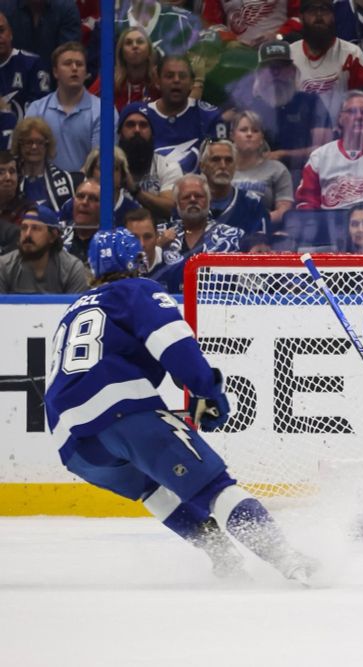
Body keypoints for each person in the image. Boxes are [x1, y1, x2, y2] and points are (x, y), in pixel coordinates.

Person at [44, 228, 317, 583]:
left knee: (151, 489)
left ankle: (224, 559)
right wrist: (209, 393)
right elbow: (173, 345)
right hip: (120, 409)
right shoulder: (137, 290)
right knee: (214, 486)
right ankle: (288, 560)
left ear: (90, 267)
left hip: (71, 442)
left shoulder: (72, 311)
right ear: (139, 261)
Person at [226, 39, 333, 171]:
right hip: (256, 174)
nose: (275, 73)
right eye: (270, 67)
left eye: (281, 66)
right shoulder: (247, 107)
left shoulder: (310, 102)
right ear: (259, 73)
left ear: (293, 71)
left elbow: (325, 147)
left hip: (303, 173)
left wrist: (284, 155)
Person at [295, 90, 363, 211]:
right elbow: (306, 204)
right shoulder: (319, 157)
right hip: (328, 227)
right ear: (340, 118)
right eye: (352, 111)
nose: (359, 117)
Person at [122, 56, 227, 174]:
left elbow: (223, 164)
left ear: (192, 82)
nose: (176, 80)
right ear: (157, 81)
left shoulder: (210, 116)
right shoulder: (138, 115)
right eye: (169, 76)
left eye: (182, 76)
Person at [25, 42, 100, 173]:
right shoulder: (36, 109)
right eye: (68, 63)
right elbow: (28, 154)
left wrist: (72, 183)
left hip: (86, 187)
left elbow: (98, 161)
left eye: (80, 64)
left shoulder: (103, 111)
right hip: (44, 187)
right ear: (55, 72)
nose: (74, 68)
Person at [289, 0, 363, 117]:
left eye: (324, 10)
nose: (319, 16)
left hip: (342, 132)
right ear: (301, 17)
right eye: (312, 11)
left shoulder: (352, 54)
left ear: (333, 16)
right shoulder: (289, 55)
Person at [0, 205, 88, 293]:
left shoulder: (72, 269)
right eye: (24, 228)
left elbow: (76, 306)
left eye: (35, 228)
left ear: (53, 236)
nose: (27, 234)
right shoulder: (4, 266)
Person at [117, 106, 181, 221]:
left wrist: (135, 191)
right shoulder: (105, 166)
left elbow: (172, 210)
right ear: (120, 133)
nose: (137, 130)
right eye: (130, 125)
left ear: (152, 133)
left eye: (143, 125)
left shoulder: (168, 167)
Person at [230, 110, 293, 228]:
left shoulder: (277, 169)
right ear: (232, 135)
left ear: (261, 138)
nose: (249, 134)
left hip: (264, 231)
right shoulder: (221, 168)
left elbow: (284, 210)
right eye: (243, 130)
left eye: (255, 130)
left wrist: (258, 221)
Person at [199, 139, 269, 243]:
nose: (223, 166)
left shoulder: (253, 203)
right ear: (202, 166)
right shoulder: (188, 202)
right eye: (216, 159)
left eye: (229, 160)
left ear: (235, 166)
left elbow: (259, 247)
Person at [11, 116, 76, 211]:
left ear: (47, 145)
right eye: (29, 142)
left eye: (40, 142)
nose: (34, 147)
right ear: (19, 145)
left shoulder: (65, 178)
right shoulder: (10, 178)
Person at [87, 27, 160, 111]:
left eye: (140, 42)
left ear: (149, 51)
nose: (135, 46)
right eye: (128, 43)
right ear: (121, 53)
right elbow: (86, 105)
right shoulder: (108, 79)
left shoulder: (159, 81)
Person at [0, 10, 50, 120]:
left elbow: (43, 111)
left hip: (25, 134)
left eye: (1, 30)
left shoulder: (32, 64)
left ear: (10, 33)